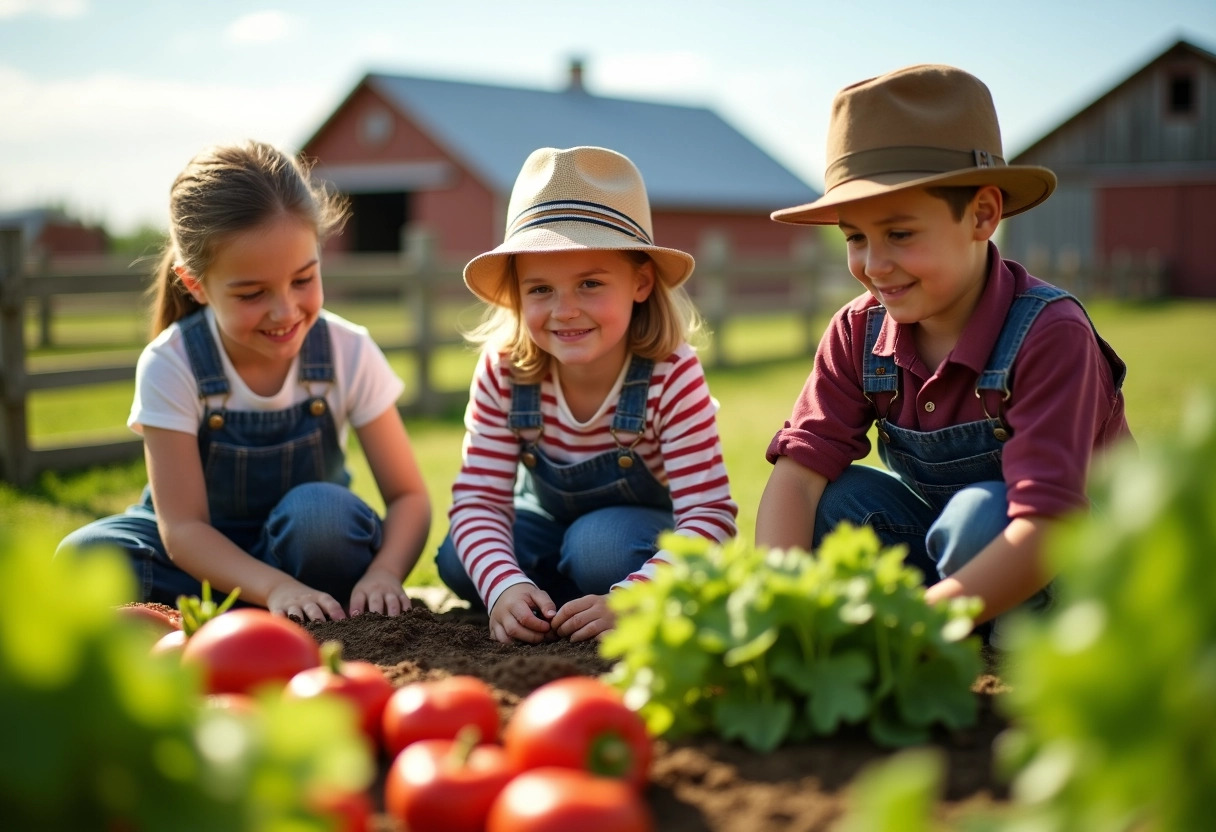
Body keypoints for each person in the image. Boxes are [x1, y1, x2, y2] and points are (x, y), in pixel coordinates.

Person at [755, 65, 1133, 639]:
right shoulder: (858, 332)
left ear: (982, 215)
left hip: (1079, 562)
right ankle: (948, 624)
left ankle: (1006, 648)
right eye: (855, 237)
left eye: (900, 234)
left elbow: (1049, 521)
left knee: (979, 516)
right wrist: (777, 599)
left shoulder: (1049, 333)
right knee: (838, 499)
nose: (874, 265)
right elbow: (799, 473)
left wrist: (920, 624)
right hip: (951, 560)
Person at [56, 140, 431, 622]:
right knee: (83, 556)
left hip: (302, 547)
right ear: (196, 285)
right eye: (253, 293)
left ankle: (256, 605)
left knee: (323, 519)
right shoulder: (172, 362)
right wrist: (273, 587)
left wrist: (384, 573)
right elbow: (183, 529)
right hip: (198, 556)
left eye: (303, 279)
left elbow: (409, 497)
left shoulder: (346, 349)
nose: (285, 311)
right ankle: (257, 604)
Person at [437, 145, 738, 645]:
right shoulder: (506, 369)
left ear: (640, 282)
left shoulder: (670, 371)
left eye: (590, 283)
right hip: (544, 525)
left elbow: (709, 517)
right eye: (540, 290)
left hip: (633, 536)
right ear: (516, 293)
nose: (565, 310)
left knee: (598, 547)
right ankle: (545, 602)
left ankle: (605, 591)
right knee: (458, 559)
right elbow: (479, 501)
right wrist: (505, 587)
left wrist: (635, 597)